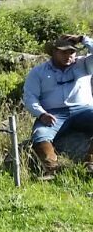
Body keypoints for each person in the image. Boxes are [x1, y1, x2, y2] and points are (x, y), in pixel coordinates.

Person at [22, 34, 93, 180]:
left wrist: (83, 39)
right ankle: (51, 170)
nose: (68, 56)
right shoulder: (38, 72)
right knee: (40, 134)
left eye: (71, 52)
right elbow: (30, 97)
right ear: (54, 52)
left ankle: (90, 164)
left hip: (84, 110)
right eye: (63, 52)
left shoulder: (85, 64)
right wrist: (41, 114)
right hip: (53, 114)